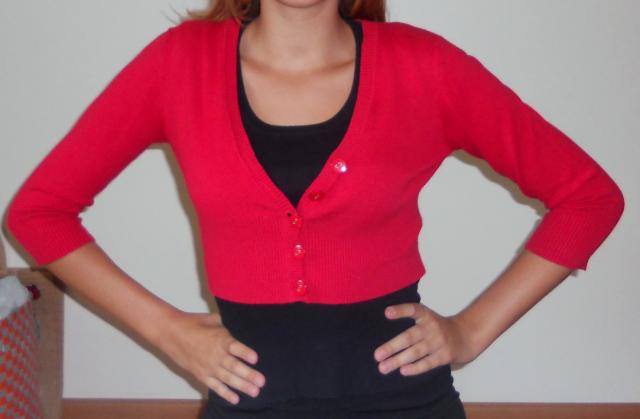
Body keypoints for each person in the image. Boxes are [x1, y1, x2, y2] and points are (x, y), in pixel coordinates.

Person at [4, 1, 625, 418]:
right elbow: (40, 212)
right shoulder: (179, 64)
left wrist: (470, 331)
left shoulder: (424, 66)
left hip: (404, 402)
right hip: (247, 401)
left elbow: (588, 198)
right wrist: (167, 331)